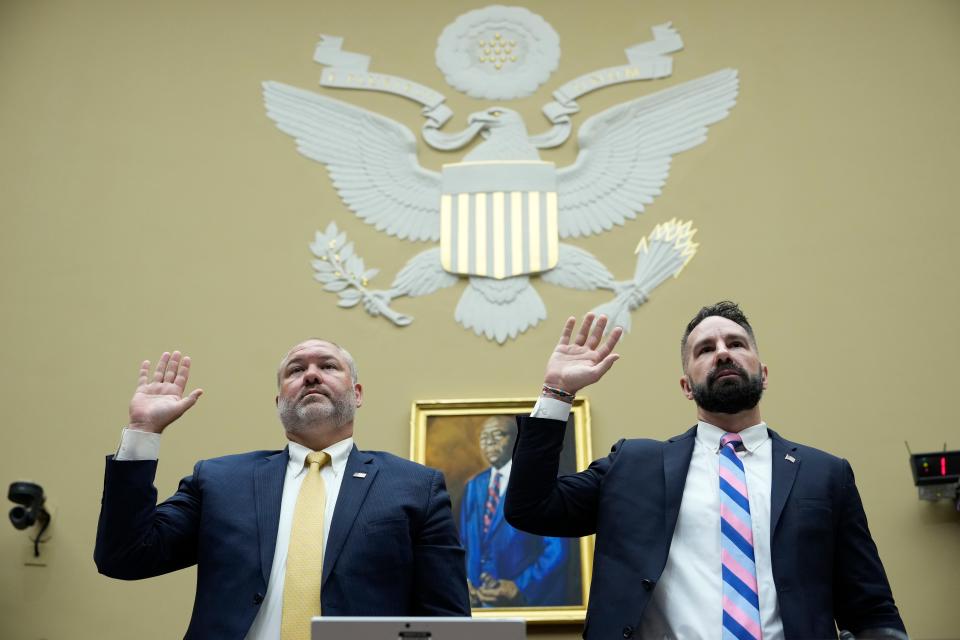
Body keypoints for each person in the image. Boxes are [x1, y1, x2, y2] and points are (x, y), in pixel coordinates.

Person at [505, 303, 906, 640]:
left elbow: (870, 608)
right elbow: (531, 507)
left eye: (735, 344)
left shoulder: (825, 474)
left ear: (763, 373)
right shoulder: (635, 466)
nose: (722, 353)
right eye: (705, 349)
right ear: (686, 385)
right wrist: (557, 392)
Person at [94, 339, 470, 640]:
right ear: (279, 403)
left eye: (327, 366)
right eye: (296, 370)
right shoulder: (220, 481)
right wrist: (144, 432)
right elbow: (125, 556)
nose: (310, 376)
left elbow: (448, 621)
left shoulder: (415, 487)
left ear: (357, 393)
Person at [458, 415, 577, 607]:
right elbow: (463, 542)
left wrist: (519, 587)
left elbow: (556, 551)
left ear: (516, 440)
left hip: (525, 603)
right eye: (484, 437)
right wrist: (464, 582)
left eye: (497, 435)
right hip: (477, 606)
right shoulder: (474, 486)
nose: (489, 441)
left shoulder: (542, 480)